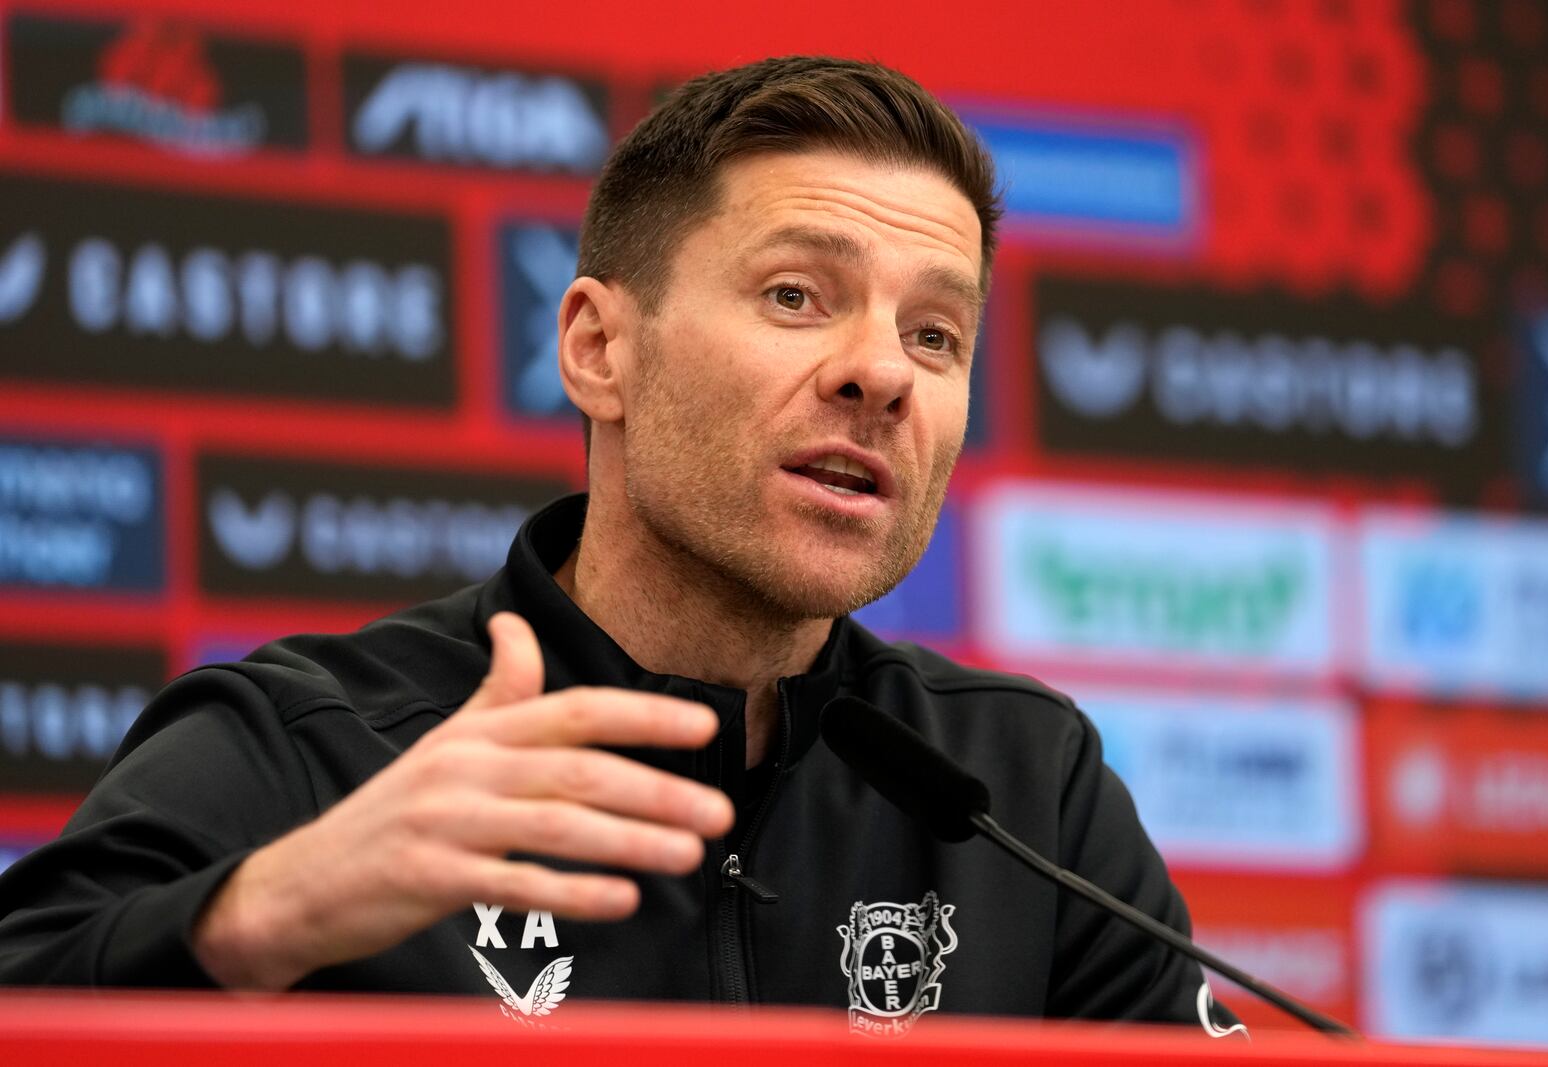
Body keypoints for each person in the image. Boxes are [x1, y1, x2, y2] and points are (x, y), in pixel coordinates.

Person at [0, 56, 1241, 1036]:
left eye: (935, 334)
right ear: (601, 350)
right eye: (795, 295)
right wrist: (264, 912)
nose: (880, 372)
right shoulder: (319, 740)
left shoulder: (1017, 787)